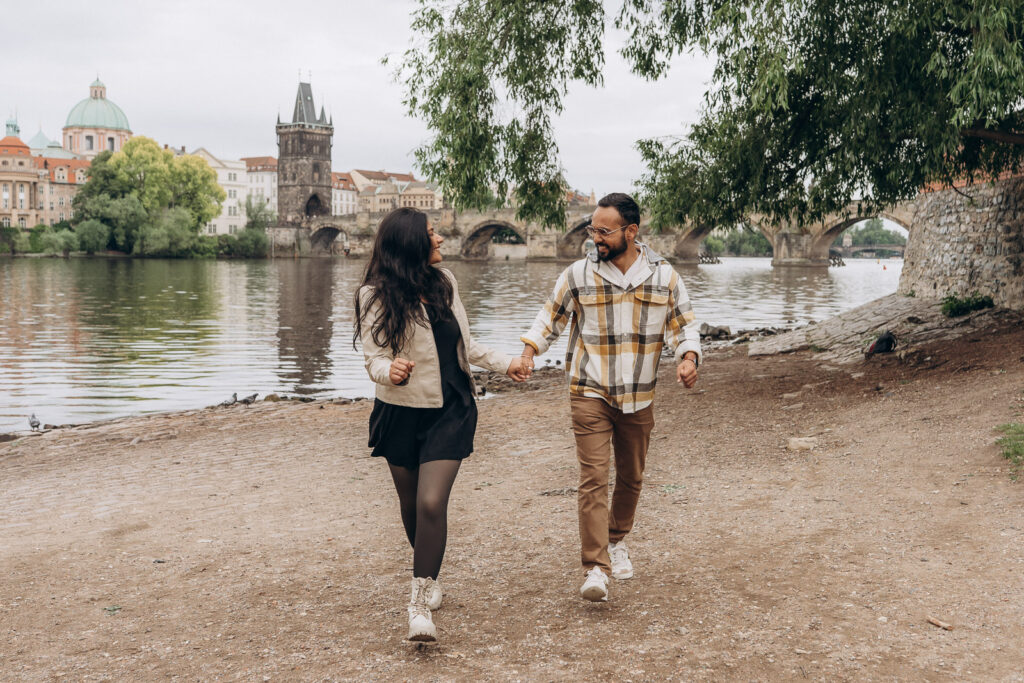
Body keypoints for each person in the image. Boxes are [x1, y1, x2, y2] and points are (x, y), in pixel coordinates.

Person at [354, 207, 529, 642]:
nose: (441, 240)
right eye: (432, 235)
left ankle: (419, 604)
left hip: (451, 407)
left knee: (432, 504)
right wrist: (388, 370)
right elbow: (373, 358)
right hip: (399, 410)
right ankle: (429, 572)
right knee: (413, 506)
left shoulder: (446, 282)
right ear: (412, 243)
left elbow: (464, 345)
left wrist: (506, 363)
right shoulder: (373, 294)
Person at [519, 192, 702, 603]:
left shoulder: (665, 277)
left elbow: (684, 325)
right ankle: (595, 567)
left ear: (631, 232)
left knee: (632, 476)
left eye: (604, 232)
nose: (595, 238)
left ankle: (616, 539)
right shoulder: (577, 274)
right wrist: (529, 351)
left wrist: (688, 356)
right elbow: (549, 317)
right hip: (590, 388)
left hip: (640, 391)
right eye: (592, 230)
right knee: (593, 478)